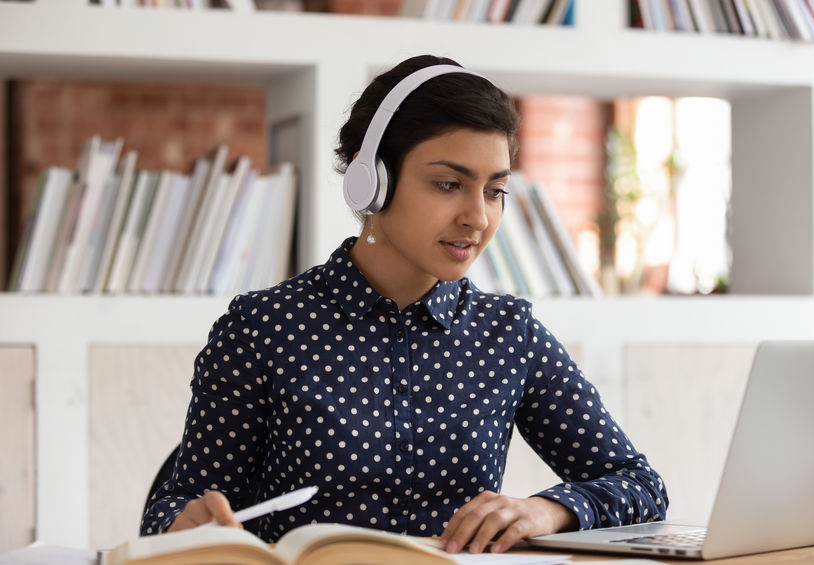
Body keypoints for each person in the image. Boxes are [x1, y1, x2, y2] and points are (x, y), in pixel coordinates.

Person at [141, 54, 668, 554]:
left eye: (494, 191)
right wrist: (182, 521)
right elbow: (171, 507)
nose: (478, 218)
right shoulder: (262, 328)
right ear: (369, 180)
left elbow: (640, 485)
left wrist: (547, 510)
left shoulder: (509, 335)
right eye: (448, 184)